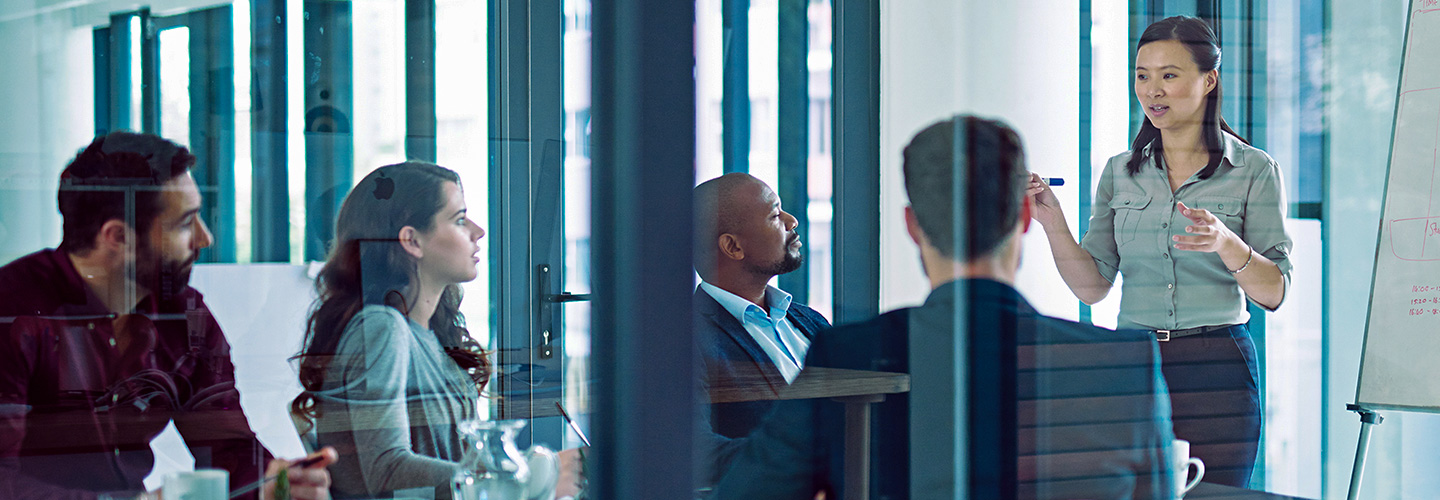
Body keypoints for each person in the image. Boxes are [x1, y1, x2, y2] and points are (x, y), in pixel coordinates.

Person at [711, 116, 1175, 499]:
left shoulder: (848, 353)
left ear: (912, 226)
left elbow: (748, 492)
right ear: (1025, 217)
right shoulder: (1122, 362)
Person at [1027, 15, 1291, 486]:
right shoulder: (1119, 172)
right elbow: (1092, 288)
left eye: (1169, 75)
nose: (1153, 91)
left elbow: (1274, 293)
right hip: (1134, 363)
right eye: (1142, 76)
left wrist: (1227, 244)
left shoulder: (1254, 170)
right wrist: (1051, 219)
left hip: (1218, 368)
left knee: (1216, 496)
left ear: (1209, 80)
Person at [0, 131, 335, 500]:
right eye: (184, 223)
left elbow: (226, 448)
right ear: (118, 237)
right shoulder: (12, 314)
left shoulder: (183, 314)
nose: (204, 238)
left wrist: (274, 482)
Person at [291, 162, 580, 499]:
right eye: (459, 220)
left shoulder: (430, 335)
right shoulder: (381, 330)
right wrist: (523, 482)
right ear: (412, 241)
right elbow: (386, 471)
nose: (478, 231)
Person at [691, 173, 831, 483]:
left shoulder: (812, 322)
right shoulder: (683, 339)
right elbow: (693, 449)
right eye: (774, 214)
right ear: (732, 246)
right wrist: (808, 466)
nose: (792, 221)